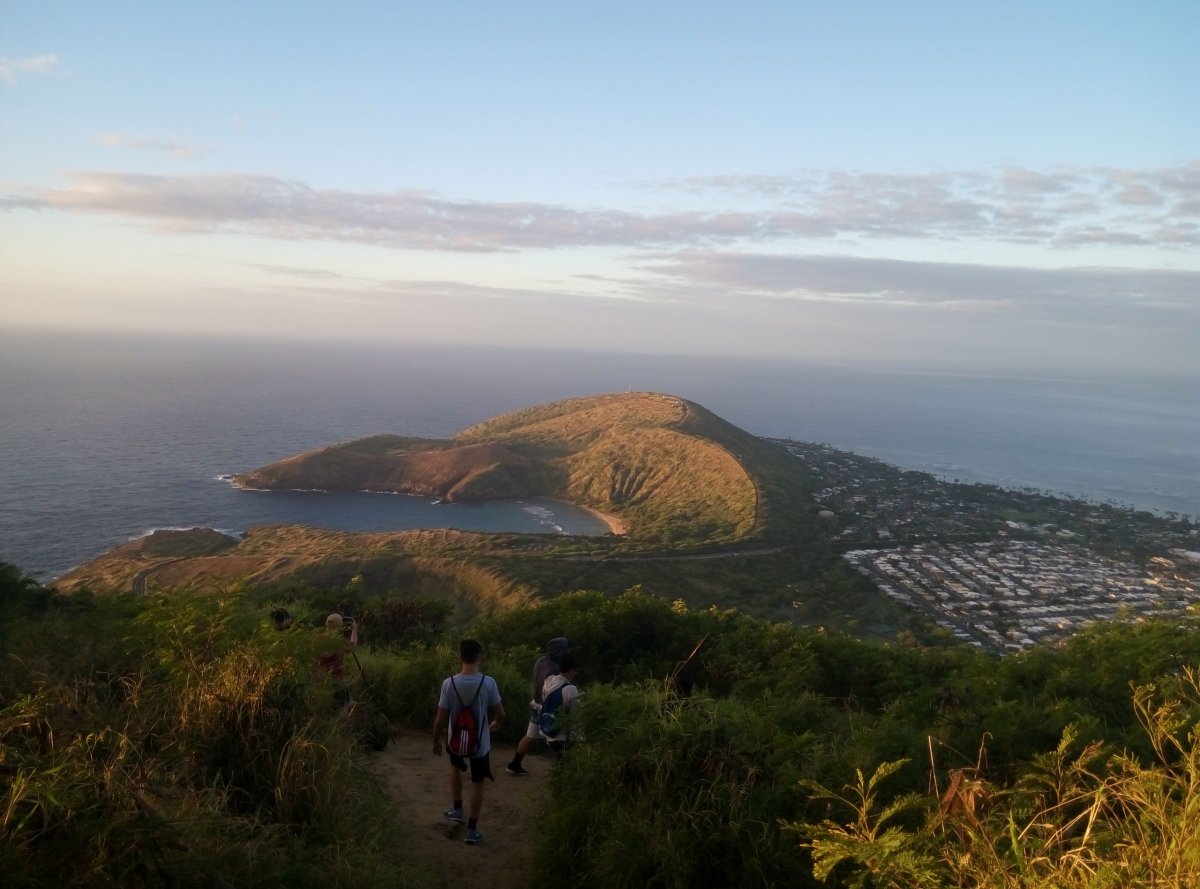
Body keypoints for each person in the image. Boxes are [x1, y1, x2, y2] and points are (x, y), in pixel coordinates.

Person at [433, 639, 504, 845]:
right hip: (479, 742)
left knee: (455, 766)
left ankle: (457, 809)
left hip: (455, 739)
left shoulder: (449, 683)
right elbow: (500, 713)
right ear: (479, 657)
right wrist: (495, 724)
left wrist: (435, 741)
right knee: (477, 781)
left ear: (460, 656)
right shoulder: (488, 683)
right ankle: (472, 830)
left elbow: (440, 718)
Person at [506, 636, 569, 776]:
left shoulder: (542, 661)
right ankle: (563, 771)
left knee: (530, 736)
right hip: (547, 707)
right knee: (556, 737)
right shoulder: (555, 669)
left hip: (536, 704)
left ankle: (515, 764)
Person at [538, 652, 581, 752]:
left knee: (560, 760)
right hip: (562, 736)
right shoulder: (570, 689)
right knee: (566, 762)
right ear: (571, 670)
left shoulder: (549, 681)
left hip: (548, 731)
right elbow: (575, 715)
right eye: (575, 671)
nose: (575, 673)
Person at [315, 612, 358, 710]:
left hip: (320, 680)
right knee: (343, 708)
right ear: (339, 626)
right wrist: (354, 630)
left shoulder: (318, 638)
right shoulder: (339, 641)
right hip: (336, 681)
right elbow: (352, 646)